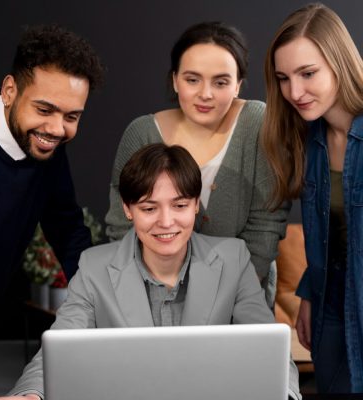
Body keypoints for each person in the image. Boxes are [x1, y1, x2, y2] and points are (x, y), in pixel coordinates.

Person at [0, 143, 301, 400]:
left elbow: (272, 353)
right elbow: (56, 350)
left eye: (179, 205)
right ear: (128, 209)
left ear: (195, 204)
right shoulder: (93, 266)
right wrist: (30, 395)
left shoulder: (233, 258)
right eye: (149, 208)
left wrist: (285, 394)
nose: (166, 222)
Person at [105, 21, 289, 305]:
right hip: (153, 297)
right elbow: (121, 227)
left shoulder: (257, 124)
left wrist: (224, 298)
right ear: (175, 79)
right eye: (192, 79)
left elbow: (266, 225)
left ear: (238, 84)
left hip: (241, 294)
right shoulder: (141, 133)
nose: (206, 94)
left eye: (221, 82)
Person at [0, 24, 103, 399]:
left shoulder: (44, 143)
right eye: (45, 109)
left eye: (72, 116)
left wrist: (99, 303)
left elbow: (68, 228)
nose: (57, 129)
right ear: (10, 90)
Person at [263, 3, 363, 393]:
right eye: (284, 78)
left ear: (339, 62)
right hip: (330, 308)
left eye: (308, 74)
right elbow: (337, 234)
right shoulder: (310, 140)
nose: (294, 92)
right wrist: (309, 290)